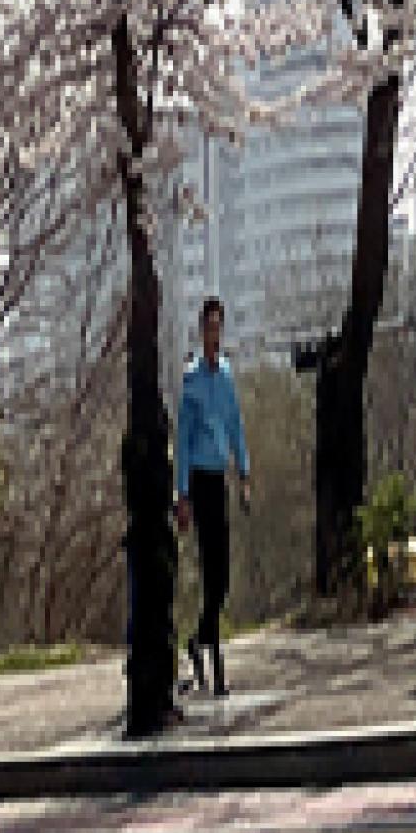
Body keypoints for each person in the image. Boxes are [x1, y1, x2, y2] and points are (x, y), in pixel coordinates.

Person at [174, 295, 251, 696]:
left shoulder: (225, 375)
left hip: (219, 476)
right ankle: (215, 661)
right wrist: (181, 493)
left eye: (219, 327)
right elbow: (182, 441)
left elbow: (235, 423)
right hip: (199, 480)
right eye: (209, 327)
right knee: (209, 569)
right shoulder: (192, 381)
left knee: (222, 576)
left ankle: (200, 638)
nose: (214, 335)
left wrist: (245, 470)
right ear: (201, 331)